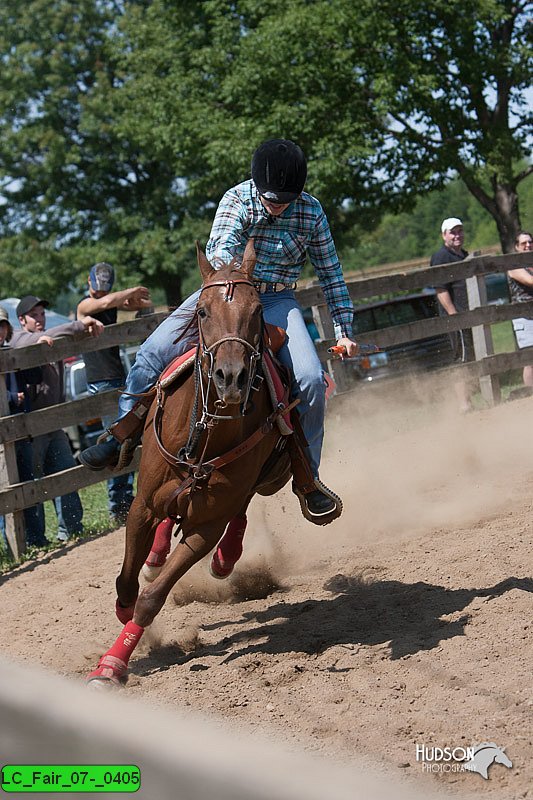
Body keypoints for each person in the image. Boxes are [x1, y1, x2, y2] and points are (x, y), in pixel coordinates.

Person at [78, 138, 358, 519]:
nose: (277, 205)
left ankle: (308, 479)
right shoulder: (237, 200)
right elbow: (221, 251)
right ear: (257, 184)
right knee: (152, 351)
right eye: (271, 198)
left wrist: (344, 330)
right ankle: (120, 433)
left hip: (276, 301)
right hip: (224, 291)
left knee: (310, 379)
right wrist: (237, 287)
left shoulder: (311, 212)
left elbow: (331, 274)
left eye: (285, 199)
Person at [11, 295, 103, 542]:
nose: (40, 320)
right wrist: (80, 324)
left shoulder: (49, 338)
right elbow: (25, 342)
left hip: (54, 424)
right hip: (30, 428)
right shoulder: (19, 339)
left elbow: (52, 335)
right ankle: (36, 539)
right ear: (22, 320)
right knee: (33, 485)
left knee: (66, 474)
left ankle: (71, 529)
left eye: (42, 314)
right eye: (34, 316)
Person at [76, 262, 152, 523]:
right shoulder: (84, 306)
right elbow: (103, 302)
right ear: (89, 283)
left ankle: (124, 498)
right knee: (116, 439)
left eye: (103, 289)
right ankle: (118, 502)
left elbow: (135, 305)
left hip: (117, 377)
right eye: (96, 288)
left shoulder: (109, 304)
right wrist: (129, 292)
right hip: (100, 381)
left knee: (127, 435)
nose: (99, 293)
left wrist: (136, 300)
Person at [0, 305, 47, 548]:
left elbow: (34, 377)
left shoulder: (11, 351)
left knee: (28, 479)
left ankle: (36, 537)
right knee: (5, 486)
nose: (0, 330)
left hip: (20, 425)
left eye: (2, 325)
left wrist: (31, 355)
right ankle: (11, 544)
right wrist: (10, 397)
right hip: (4, 428)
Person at [430, 217, 474, 413]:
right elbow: (441, 289)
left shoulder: (464, 255)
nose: (457, 235)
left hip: (469, 314)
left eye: (459, 231)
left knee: (469, 357)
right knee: (461, 358)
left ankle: (469, 400)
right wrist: (453, 315)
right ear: (444, 235)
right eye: (452, 232)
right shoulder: (441, 257)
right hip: (456, 316)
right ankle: (464, 403)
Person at [506, 231, 533, 387]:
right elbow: (530, 280)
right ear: (516, 247)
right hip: (524, 317)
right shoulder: (513, 265)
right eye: (524, 243)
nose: (528, 245)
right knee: (529, 359)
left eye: (530, 242)